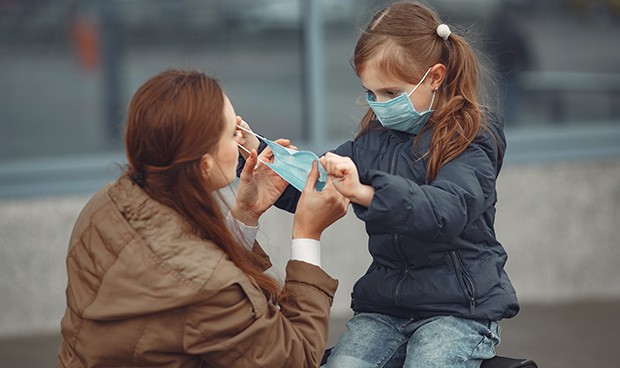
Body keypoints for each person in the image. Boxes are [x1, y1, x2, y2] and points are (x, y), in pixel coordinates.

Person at [238, 2, 519, 367]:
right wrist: (258, 154)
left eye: (390, 94)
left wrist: (366, 193)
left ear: (434, 77)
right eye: (371, 93)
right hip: (386, 308)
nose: (379, 105)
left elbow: (445, 210)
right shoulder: (373, 139)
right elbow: (319, 184)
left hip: (459, 311)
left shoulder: (472, 137)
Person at [57, 69, 349, 368]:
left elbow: (188, 292)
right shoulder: (208, 286)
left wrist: (245, 215)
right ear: (206, 164)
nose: (244, 136)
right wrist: (307, 234)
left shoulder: (107, 203)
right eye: (232, 132)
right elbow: (294, 359)